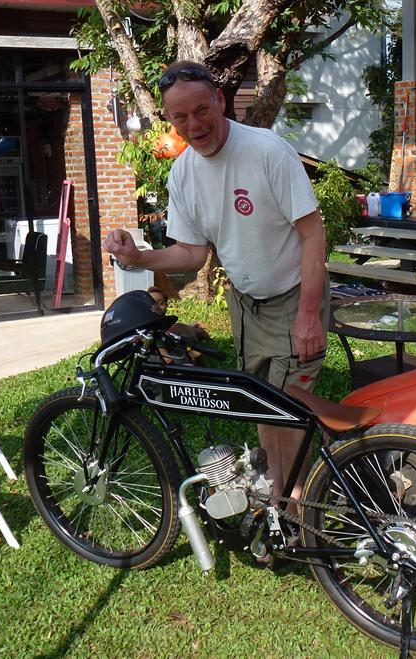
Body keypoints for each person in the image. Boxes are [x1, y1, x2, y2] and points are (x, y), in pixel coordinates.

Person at [105, 61, 330, 502]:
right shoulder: (183, 173)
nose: (194, 124)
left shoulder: (266, 152)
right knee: (264, 406)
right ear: (168, 119)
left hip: (293, 297)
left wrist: (307, 314)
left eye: (201, 110)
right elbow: (192, 252)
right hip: (245, 303)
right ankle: (278, 501)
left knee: (290, 412)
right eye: (180, 117)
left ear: (220, 101)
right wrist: (138, 256)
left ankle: (301, 506)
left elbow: (313, 235)